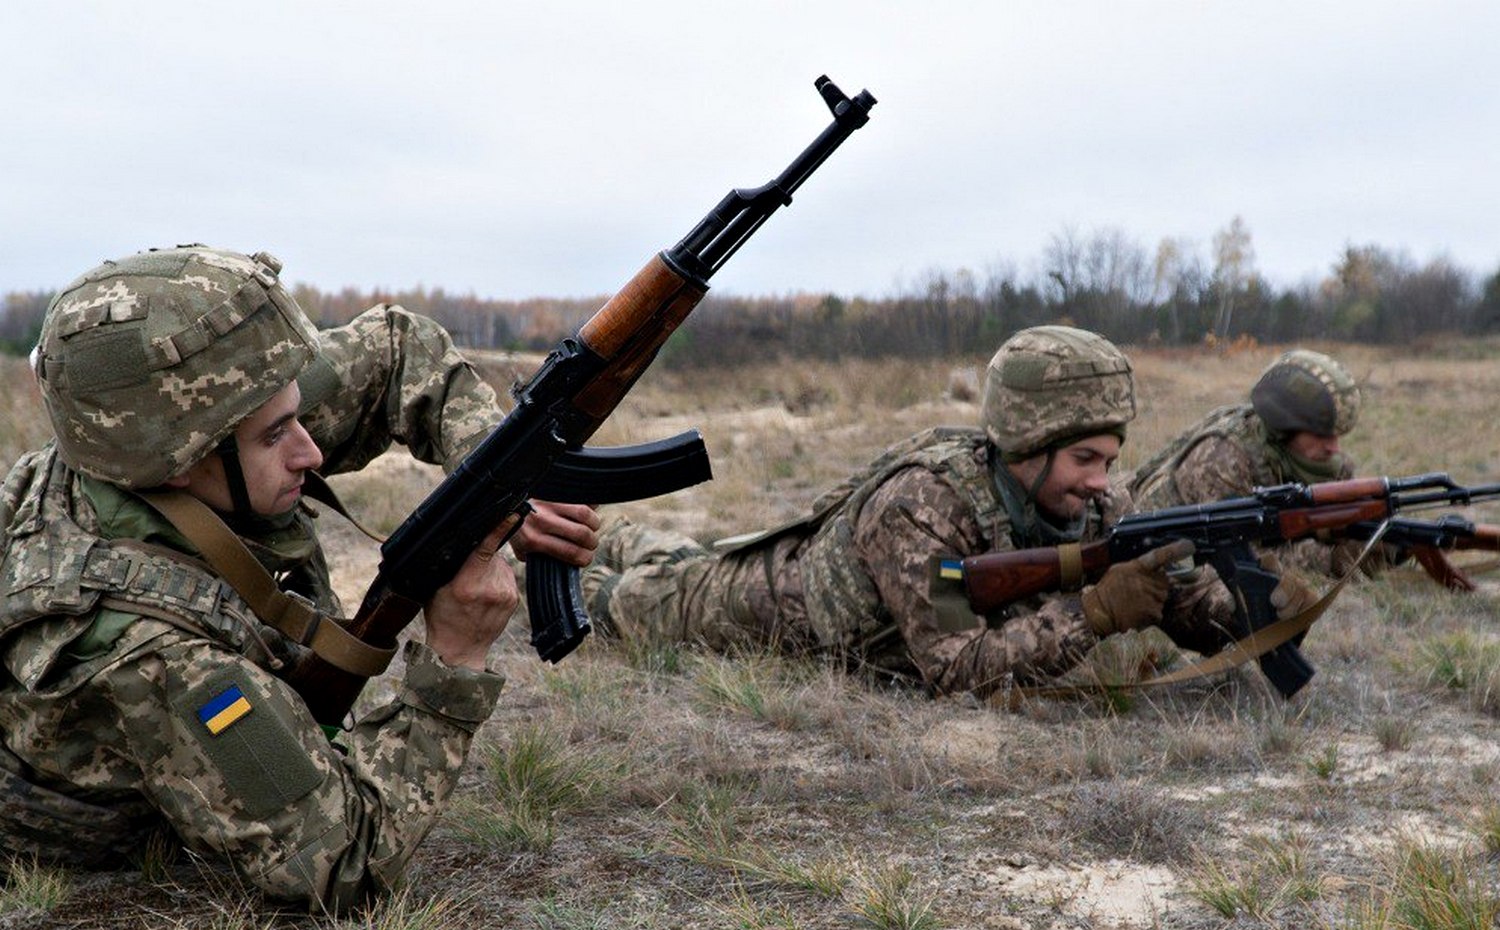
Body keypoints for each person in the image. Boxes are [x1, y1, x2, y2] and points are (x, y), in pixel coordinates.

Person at [0, 246, 598, 911]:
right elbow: (338, 867)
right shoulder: (150, 657)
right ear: (177, 464)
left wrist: (501, 474)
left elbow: (396, 348)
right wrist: (453, 664)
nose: (310, 451)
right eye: (277, 433)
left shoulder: (174, 422)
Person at [581, 325, 1300, 700]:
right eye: (1085, 459)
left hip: (810, 595)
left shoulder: (1102, 499)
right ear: (1029, 444)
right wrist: (1097, 614)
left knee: (662, 550)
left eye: (1111, 459)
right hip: (770, 610)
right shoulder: (926, 504)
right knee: (620, 602)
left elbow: (1176, 598)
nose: (1102, 483)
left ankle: (613, 530)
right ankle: (531, 539)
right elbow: (957, 670)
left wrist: (1253, 614)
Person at [1127, 348, 1384, 577]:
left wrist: (1374, 537)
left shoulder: (1320, 462)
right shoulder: (1220, 461)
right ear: (1285, 427)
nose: (1334, 448)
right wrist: (1335, 560)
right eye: (1321, 435)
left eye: (1338, 435)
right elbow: (1243, 558)